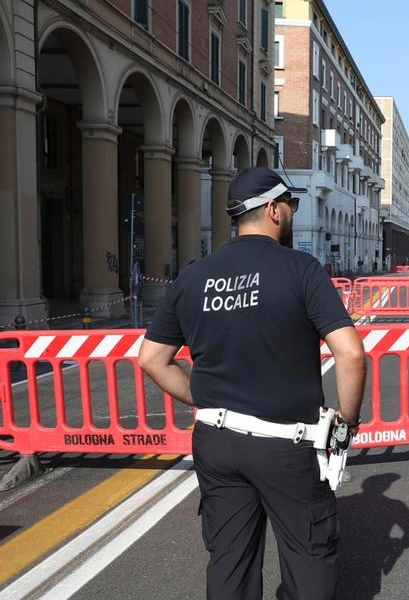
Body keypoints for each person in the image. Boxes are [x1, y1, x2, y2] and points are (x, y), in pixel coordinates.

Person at [138, 167, 367, 600]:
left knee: (229, 559)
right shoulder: (300, 269)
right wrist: (346, 423)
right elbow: (351, 353)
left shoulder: (193, 276)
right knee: (308, 557)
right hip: (286, 445)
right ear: (273, 209)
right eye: (292, 205)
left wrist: (202, 398)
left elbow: (151, 359)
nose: (293, 213)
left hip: (216, 441)